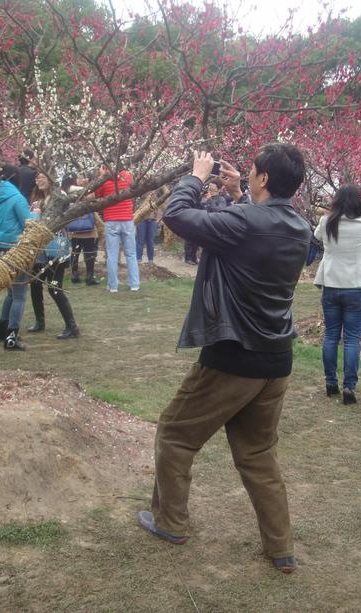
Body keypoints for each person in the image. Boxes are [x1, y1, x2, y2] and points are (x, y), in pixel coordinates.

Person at [137, 144, 312, 574]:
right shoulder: (300, 227)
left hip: (233, 357)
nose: (247, 175)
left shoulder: (247, 221)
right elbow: (253, 237)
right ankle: (281, 549)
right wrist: (239, 196)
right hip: (276, 361)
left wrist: (196, 177)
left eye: (252, 172)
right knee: (258, 455)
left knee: (176, 434)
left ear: (264, 178)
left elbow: (177, 217)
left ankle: (170, 522)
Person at [313, 184, 361, 405]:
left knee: (331, 335)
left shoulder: (327, 221)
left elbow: (316, 235)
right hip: (356, 286)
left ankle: (330, 382)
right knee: (352, 338)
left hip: (331, 285)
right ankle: (349, 387)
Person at [0, 164, 34, 350]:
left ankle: (2, 330)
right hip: (16, 250)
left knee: (10, 293)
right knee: (20, 295)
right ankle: (11, 337)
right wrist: (36, 215)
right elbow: (28, 223)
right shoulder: (16, 198)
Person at [28, 173, 80, 339]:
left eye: (43, 177)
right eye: (37, 178)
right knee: (35, 283)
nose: (39, 180)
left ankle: (72, 326)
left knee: (54, 287)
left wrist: (36, 213)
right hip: (41, 249)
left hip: (57, 247)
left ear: (51, 179)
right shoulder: (38, 200)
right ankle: (39, 321)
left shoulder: (58, 197)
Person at [94, 162, 140, 292]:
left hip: (111, 220)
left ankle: (113, 285)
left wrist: (101, 176)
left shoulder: (105, 180)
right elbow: (134, 191)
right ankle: (134, 284)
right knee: (131, 253)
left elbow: (97, 194)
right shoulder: (128, 176)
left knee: (112, 255)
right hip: (127, 219)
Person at [61, 173, 100, 285]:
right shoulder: (81, 190)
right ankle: (89, 277)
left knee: (75, 252)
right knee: (89, 252)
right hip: (87, 227)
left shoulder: (64, 192)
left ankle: (74, 275)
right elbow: (92, 198)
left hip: (74, 227)